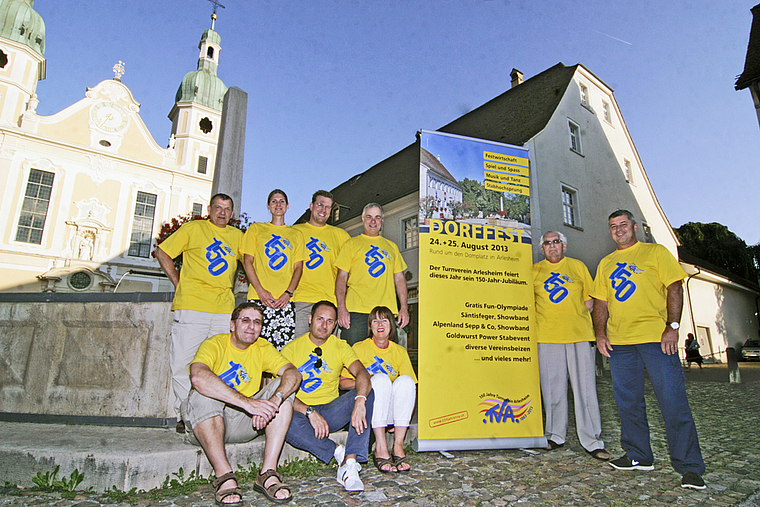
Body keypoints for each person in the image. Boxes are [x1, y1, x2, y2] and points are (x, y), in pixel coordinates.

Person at [591, 209, 706, 490]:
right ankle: (638, 455)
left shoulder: (655, 252)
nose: (618, 230)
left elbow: (675, 287)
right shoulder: (606, 263)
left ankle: (690, 467)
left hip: (657, 339)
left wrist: (673, 326)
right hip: (620, 344)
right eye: (613, 226)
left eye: (623, 225)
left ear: (635, 227)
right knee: (628, 403)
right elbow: (601, 303)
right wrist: (600, 334)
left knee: (673, 403)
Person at [184, 302, 301, 505]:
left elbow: (293, 373)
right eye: (245, 320)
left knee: (283, 389)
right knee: (202, 394)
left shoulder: (262, 347)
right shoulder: (215, 344)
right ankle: (224, 476)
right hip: (206, 422)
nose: (251, 327)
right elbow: (198, 377)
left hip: (244, 423)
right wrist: (248, 403)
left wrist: (274, 401)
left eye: (257, 322)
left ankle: (267, 473)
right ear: (232, 325)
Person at [155, 193, 243, 433]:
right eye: (218, 207)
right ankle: (184, 413)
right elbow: (163, 252)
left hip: (223, 309)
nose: (222, 212)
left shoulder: (238, 237)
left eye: (227, 209)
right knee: (184, 362)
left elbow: (256, 262)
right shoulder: (194, 228)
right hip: (192, 307)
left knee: (219, 364)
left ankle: (214, 413)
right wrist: (177, 281)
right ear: (209, 209)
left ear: (232, 214)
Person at [281, 301, 375, 492]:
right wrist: (309, 412)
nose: (324, 325)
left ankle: (350, 461)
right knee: (282, 419)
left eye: (330, 321)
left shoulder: (340, 346)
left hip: (331, 411)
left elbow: (362, 374)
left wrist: (359, 401)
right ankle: (338, 452)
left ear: (335, 325)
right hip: (302, 414)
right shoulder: (291, 349)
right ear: (310, 319)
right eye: (320, 319)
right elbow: (279, 390)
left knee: (367, 392)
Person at [533, 231, 609, 461]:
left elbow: (590, 300)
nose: (552, 246)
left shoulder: (578, 267)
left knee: (585, 389)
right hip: (546, 337)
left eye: (556, 242)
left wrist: (573, 317)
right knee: (552, 389)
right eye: (547, 243)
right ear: (542, 248)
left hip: (578, 335)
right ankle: (555, 435)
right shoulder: (534, 271)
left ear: (564, 246)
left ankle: (592, 440)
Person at [339, 305, 417, 473]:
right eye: (375, 320)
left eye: (384, 320)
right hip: (368, 407)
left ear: (392, 325)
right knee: (379, 379)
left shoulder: (400, 351)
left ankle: (398, 446)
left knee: (407, 381)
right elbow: (342, 382)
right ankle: (380, 448)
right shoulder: (359, 348)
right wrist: (366, 382)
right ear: (370, 326)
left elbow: (410, 389)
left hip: (390, 410)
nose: (380, 324)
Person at [240, 189, 306, 350]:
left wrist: (288, 293)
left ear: (288, 206)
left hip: (284, 301)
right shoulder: (256, 229)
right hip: (259, 298)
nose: (278, 204)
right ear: (268, 206)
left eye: (282, 201)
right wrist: (260, 290)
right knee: (255, 348)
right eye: (274, 201)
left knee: (282, 351)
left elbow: (299, 267)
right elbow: (247, 261)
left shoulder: (296, 234)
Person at [335, 203, 409, 345]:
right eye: (369, 217)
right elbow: (341, 278)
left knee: (385, 362)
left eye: (377, 217)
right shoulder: (351, 244)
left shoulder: (392, 247)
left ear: (382, 220)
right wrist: (341, 308)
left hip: (386, 313)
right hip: (356, 312)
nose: (373, 221)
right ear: (363, 218)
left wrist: (404, 308)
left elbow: (400, 279)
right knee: (353, 360)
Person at [291, 190, 350, 338]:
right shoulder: (294, 232)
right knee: (298, 351)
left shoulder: (341, 236)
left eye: (328, 207)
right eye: (320, 205)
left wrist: (343, 305)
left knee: (328, 355)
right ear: (311, 206)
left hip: (330, 302)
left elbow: (351, 271)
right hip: (301, 300)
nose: (323, 210)